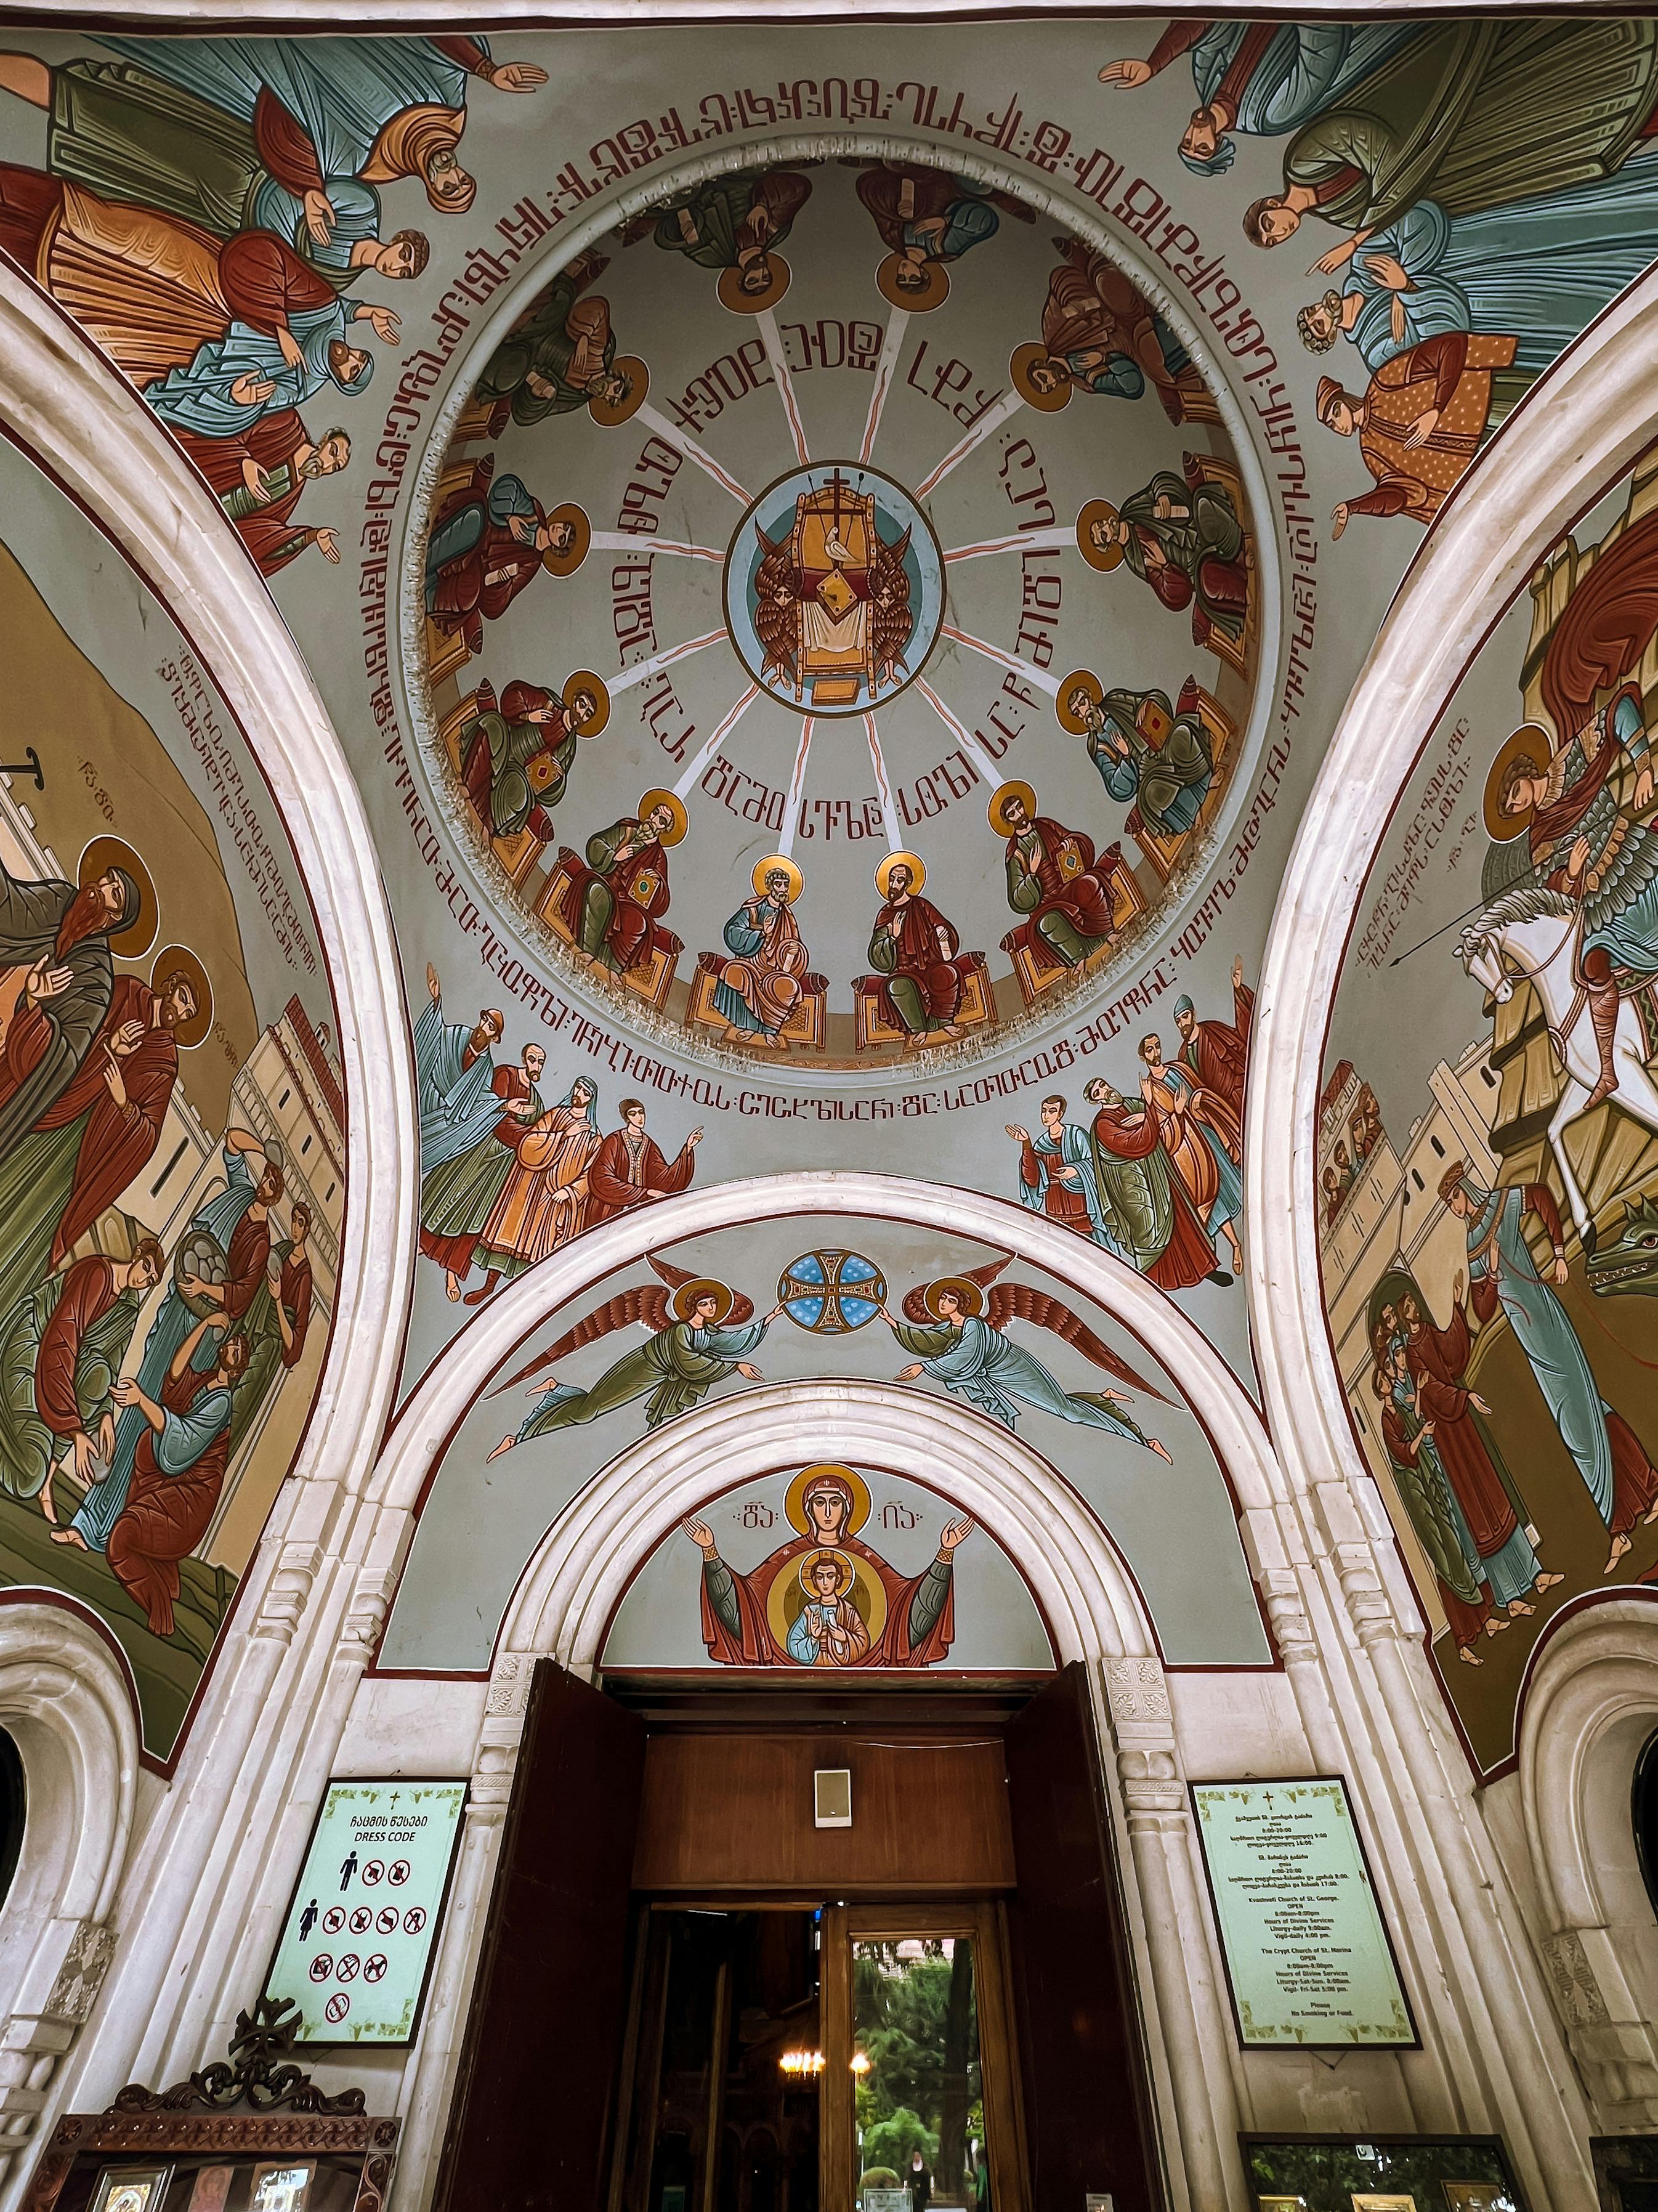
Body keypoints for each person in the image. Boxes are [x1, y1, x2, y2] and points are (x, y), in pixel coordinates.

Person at [1240, 18, 1658, 248]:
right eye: (1277, 239)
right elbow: (1410, 199)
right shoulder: (1335, 214)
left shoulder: (1299, 162)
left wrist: (1363, 233)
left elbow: (1363, 137)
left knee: (1515, 62)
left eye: (1271, 225)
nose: (1282, 232)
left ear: (1270, 205)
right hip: (1456, 141)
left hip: (1429, 96)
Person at [1442, 1164, 1658, 1571]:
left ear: (1464, 1189)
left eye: (1452, 1197)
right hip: (1530, 1340)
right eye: (1448, 1202)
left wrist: (1559, 1253)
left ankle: (1618, 1528)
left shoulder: (1502, 1203)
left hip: (1546, 1318)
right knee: (1583, 1412)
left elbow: (1541, 1195)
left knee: (1580, 1422)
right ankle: (1645, 1489)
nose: (1453, 1206)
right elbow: (1484, 1309)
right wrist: (1488, 1275)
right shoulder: (1472, 1244)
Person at [87, 33, 548, 221]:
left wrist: (307, 188)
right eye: (461, 180)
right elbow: (431, 32)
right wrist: (487, 69)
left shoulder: (364, 164)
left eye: (445, 188)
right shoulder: (450, 101)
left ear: (430, 188)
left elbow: (276, 116)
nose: (451, 175)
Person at [0, 961, 195, 1332]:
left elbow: (148, 1134)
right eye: (182, 999)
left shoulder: (166, 1060)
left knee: (37, 1221)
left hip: (86, 1157)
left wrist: (124, 1104)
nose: (180, 1012)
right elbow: (78, 1037)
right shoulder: (124, 993)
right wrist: (113, 1047)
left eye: (187, 1013)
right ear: (169, 985)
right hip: (59, 1114)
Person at [1495, 691, 1658, 1111]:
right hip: (1597, 905)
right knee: (1590, 965)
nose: (1517, 804)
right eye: (1512, 806)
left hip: (1630, 859)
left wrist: (1642, 767)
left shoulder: (1571, 761)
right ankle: (1607, 1068)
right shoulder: (1538, 841)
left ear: (1525, 772)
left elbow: (1618, 714)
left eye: (1514, 793)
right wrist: (1570, 874)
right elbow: (1553, 899)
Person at [682, 1465, 971, 1669]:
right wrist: (711, 1551)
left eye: (836, 1502)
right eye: (820, 1503)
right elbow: (747, 1606)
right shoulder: (789, 1555)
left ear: (847, 1509)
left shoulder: (864, 1557)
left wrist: (944, 1553)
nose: (828, 1512)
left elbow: (905, 1611)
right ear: (808, 1509)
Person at [880, 1282, 1171, 1458]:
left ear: (963, 1304)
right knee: (1061, 1406)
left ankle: (1142, 1438)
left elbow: (965, 1356)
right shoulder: (947, 1328)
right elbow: (928, 1341)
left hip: (1014, 1367)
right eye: (942, 1299)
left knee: (1066, 1411)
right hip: (998, 1376)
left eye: (951, 1300)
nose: (944, 1304)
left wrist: (925, 1367)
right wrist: (892, 1322)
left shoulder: (973, 1326)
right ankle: (1102, 1396)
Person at [1399, 1287, 1553, 1619]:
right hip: (1449, 1439)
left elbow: (1453, 1356)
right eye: (1409, 1305)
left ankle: (1535, 1574)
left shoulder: (1428, 1333)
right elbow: (1435, 1393)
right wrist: (1464, 1397)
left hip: (1465, 1429)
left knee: (1495, 1495)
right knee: (1477, 1510)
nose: (1414, 1307)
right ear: (1403, 1315)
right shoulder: (1412, 1354)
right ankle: (1510, 1597)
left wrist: (1456, 1306)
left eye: (1414, 1301)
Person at [1098, 22, 1423, 177]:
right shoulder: (1271, 114)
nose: (1194, 136)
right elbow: (1321, 56)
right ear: (1220, 142)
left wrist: (1154, 63)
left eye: (1187, 142)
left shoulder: (1204, 75)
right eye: (1202, 148)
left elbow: (1207, 19)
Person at [488, 1283, 779, 1451]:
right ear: (694, 1307)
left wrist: (769, 1319)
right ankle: (541, 1410)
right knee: (588, 1411)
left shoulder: (709, 1332)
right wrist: (733, 1368)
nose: (712, 1308)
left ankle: (529, 1427)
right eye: (706, 1304)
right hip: (640, 1369)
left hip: (654, 1376)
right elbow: (690, 1363)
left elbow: (731, 1342)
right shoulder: (680, 1332)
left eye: (714, 1304)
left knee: (590, 1411)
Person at [1372, 1329, 1514, 1666]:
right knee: (1447, 1555)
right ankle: (1464, 1638)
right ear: (1383, 1387)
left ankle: (1486, 1618)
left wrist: (1420, 1401)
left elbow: (1418, 1419)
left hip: (1431, 1480)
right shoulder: (1387, 1418)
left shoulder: (1404, 1402)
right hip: (1421, 1494)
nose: (1396, 1372)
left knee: (1459, 1546)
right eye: (1390, 1372)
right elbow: (1404, 1453)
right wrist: (1421, 1430)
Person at [0, 1239, 162, 1523]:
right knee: (28, 1476)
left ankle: (47, 1481)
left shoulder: (128, 1308)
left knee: (99, 1376)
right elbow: (60, 1344)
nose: (143, 1279)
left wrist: (105, 1414)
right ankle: (39, 1476)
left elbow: (110, 1362)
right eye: (146, 1267)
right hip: (34, 1345)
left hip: (64, 1371)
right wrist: (76, 1432)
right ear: (137, 1255)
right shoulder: (97, 1273)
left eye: (151, 1280)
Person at [105, 1317, 248, 1639]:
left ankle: (159, 1609)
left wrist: (141, 1400)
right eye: (234, 1342)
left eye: (240, 1350)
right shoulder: (207, 1381)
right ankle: (164, 1580)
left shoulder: (222, 1403)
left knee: (122, 1540)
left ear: (238, 1370)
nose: (235, 1346)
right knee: (134, 1531)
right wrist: (206, 1323)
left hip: (188, 1499)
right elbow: (175, 1376)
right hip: (167, 1485)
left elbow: (181, 1445)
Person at [0, 855, 140, 1157]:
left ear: (115, 920)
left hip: (7, 1068)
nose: (102, 888)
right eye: (108, 879)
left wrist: (35, 1003)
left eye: (114, 893)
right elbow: (13, 907)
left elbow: (62, 1059)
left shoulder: (96, 978)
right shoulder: (62, 899)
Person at [1318, 338, 1515, 540]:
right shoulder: (1370, 451)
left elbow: (1450, 346)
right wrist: (1354, 507)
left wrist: (1436, 410)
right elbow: (1400, 497)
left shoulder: (1384, 382)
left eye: (1336, 412)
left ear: (1345, 400)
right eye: (1331, 424)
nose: (1337, 425)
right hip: (1484, 465)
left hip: (1490, 401)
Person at [417, 1042, 544, 1302]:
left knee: (475, 1217)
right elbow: (489, 1112)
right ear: (524, 1058)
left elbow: (538, 1134)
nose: (536, 1066)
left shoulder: (537, 1100)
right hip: (479, 1152)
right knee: (449, 1201)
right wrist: (510, 1111)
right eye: (532, 1059)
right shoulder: (506, 1075)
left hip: (502, 1166)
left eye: (540, 1062)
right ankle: (416, 1246)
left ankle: (451, 1272)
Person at [1024, 238, 1202, 421]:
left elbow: (1060, 279)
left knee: (1108, 285)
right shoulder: (1087, 380)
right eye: (1050, 388)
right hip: (1135, 345)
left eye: (1044, 379)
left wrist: (1080, 304)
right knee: (1161, 367)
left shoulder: (1054, 332)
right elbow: (1133, 386)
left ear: (1039, 364)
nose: (1053, 382)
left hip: (1114, 310)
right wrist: (1106, 359)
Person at [1082, 1076, 1230, 1289]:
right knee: (1151, 1230)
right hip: (1136, 1186)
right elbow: (1136, 1144)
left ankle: (1205, 1269)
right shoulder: (1103, 1124)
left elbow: (1161, 1129)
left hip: (1159, 1172)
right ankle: (1156, 1283)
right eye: (1098, 1092)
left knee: (1182, 1221)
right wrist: (1149, 1110)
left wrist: (1176, 1113)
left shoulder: (1134, 1105)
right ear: (1095, 1101)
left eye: (1103, 1085)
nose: (1105, 1091)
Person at [463, 1077, 601, 1302]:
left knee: (537, 1249)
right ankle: (488, 1287)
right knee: (510, 1236)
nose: (580, 1094)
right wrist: (563, 1136)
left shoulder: (594, 1137)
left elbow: (589, 1174)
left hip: (553, 1197)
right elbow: (529, 1143)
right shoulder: (555, 1116)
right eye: (578, 1088)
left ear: (591, 1100)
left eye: (586, 1093)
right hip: (528, 1187)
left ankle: (524, 1302)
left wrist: (570, 1192)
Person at [424, 466, 579, 659]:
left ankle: (423, 595)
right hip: (481, 534)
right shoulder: (533, 513)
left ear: (558, 548)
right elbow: (506, 487)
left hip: (480, 569)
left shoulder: (532, 564)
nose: (559, 531)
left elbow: (501, 602)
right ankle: (423, 561)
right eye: (563, 527)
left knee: (469, 594)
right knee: (474, 519)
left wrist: (499, 579)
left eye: (562, 537)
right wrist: (510, 516)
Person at [174, 413, 349, 574]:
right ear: (324, 440)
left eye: (335, 467)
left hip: (198, 520)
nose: (326, 464)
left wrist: (310, 536)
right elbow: (231, 423)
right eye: (332, 452)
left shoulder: (293, 494)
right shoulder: (288, 423)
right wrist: (244, 459)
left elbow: (265, 534)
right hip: (198, 475)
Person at [1091, 471, 1248, 650]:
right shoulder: (1136, 560)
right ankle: (1240, 560)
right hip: (1194, 564)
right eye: (1103, 533)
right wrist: (1164, 565)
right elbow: (1172, 595)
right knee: (1210, 580)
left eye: (1100, 523)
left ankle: (1240, 546)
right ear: (1110, 544)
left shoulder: (1131, 510)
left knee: (1204, 506)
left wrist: (1162, 495)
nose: (1105, 525)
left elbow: (1159, 482)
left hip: (1194, 529)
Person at [474, 256, 632, 432]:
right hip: (542, 329)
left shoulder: (576, 397)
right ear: (615, 376)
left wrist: (537, 396)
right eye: (616, 389)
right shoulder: (598, 352)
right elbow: (600, 308)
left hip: (520, 361)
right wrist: (584, 336)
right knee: (553, 299)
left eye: (611, 399)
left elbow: (525, 415)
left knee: (500, 381)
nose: (608, 393)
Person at [1138, 1033, 1245, 1276]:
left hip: (1207, 1134)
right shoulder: (1150, 1090)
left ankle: (1248, 1233)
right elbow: (1157, 1132)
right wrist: (1171, 1110)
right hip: (1188, 1150)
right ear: (1143, 1056)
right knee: (1209, 1197)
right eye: (1150, 1050)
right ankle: (1234, 1247)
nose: (1156, 1053)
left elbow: (1203, 1093)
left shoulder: (1178, 1069)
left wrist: (1196, 1102)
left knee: (1228, 1183)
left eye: (1157, 1047)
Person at [460, 678, 602, 844]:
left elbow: (552, 795)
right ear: (574, 700)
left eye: (588, 714)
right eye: (582, 705)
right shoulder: (548, 703)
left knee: (521, 793)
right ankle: (466, 787)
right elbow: (514, 696)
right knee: (493, 725)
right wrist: (528, 715)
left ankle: (487, 827)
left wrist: (558, 778)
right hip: (508, 744)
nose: (582, 713)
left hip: (520, 773)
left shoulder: (568, 749)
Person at [994, 785, 1118, 970]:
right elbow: (1017, 898)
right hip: (1047, 904)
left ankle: (1108, 933)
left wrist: (1070, 842)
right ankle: (1080, 960)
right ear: (1008, 821)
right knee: (1047, 923)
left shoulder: (1045, 825)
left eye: (1019, 807)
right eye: (1012, 813)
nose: (1019, 814)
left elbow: (1076, 842)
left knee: (1089, 883)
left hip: (1069, 885)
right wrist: (1032, 873)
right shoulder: (1015, 854)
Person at [1077, 679, 1214, 842]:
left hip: (1161, 748)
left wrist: (1149, 702)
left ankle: (1208, 780)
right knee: (1154, 792)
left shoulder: (1116, 701)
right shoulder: (1097, 746)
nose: (1083, 711)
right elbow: (1117, 789)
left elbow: (1156, 700)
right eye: (1077, 712)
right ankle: (1195, 819)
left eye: (1082, 703)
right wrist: (1126, 757)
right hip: (1146, 777)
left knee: (1181, 736)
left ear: (1090, 698)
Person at [227, 1199, 313, 1455]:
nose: (295, 1228)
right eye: (294, 1220)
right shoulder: (281, 1251)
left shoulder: (305, 1276)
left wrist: (276, 1300)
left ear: (307, 1229)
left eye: (301, 1223)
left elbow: (294, 1347)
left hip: (269, 1347)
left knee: (237, 1406)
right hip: (251, 1331)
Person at [639, 164, 812, 290]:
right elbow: (799, 189)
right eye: (765, 277)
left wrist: (686, 223)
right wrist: (763, 204)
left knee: (666, 197)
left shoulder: (713, 256)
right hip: (740, 172)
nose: (759, 273)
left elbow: (674, 235)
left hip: (696, 187)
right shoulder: (772, 232)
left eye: (753, 280)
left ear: (741, 278)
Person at [568, 796, 684, 981]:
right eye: (655, 813)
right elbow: (596, 845)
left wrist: (658, 884)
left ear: (665, 829)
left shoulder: (658, 856)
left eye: (661, 821)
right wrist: (614, 856)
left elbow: (662, 904)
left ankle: (612, 971)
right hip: (608, 884)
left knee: (639, 922)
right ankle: (586, 951)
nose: (654, 820)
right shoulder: (627, 831)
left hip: (630, 902)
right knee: (597, 893)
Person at [854, 163, 1018, 289]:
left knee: (893, 167)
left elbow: (879, 208)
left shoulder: (893, 239)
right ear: (923, 273)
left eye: (901, 277)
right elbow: (985, 222)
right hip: (945, 187)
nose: (904, 272)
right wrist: (946, 221)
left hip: (913, 183)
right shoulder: (944, 248)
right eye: (912, 277)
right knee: (977, 182)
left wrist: (899, 205)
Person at [866, 857, 975, 1040]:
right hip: (903, 971)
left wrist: (941, 933)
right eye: (891, 878)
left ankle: (942, 1022)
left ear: (908, 884)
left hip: (929, 965)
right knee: (897, 986)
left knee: (949, 972)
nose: (893, 884)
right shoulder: (885, 915)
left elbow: (942, 928)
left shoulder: (921, 905)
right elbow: (877, 955)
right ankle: (918, 1029)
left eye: (899, 880)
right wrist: (892, 937)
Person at [414, 970, 505, 1176]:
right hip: (424, 1096)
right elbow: (434, 1036)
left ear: (495, 1038)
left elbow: (480, 1101)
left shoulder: (485, 1070)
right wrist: (437, 1002)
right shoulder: (457, 1034)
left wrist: (504, 1105)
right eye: (484, 1021)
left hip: (441, 1121)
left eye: (490, 1027)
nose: (482, 1028)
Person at [715, 862, 811, 1043]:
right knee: (734, 972)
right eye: (778, 884)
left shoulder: (787, 917)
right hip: (751, 963)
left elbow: (793, 946)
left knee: (788, 987)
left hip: (775, 970)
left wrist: (793, 952)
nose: (782, 889)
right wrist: (761, 933)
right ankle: (747, 1027)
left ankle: (770, 1032)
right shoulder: (753, 908)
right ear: (769, 886)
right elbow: (732, 932)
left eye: (785, 885)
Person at [1007, 1095, 1114, 1246]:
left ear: (1060, 1114)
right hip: (1055, 1210)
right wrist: (1026, 1144)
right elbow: (1032, 1178)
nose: (1046, 1116)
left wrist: (1076, 1169)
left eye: (1052, 1111)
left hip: (1080, 1207)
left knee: (1089, 1249)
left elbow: (1094, 1164)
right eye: (1044, 1111)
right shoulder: (1041, 1144)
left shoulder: (1075, 1135)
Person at [584, 1100, 700, 1226]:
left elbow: (663, 1178)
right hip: (610, 1209)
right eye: (633, 1114)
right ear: (626, 1118)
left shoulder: (648, 1144)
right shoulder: (615, 1141)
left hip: (638, 1211)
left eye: (641, 1113)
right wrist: (643, 1192)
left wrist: (688, 1149)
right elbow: (601, 1176)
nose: (639, 1117)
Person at [1176, 959, 1253, 1126]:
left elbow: (1240, 1039)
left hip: (1239, 1093)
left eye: (1185, 1017)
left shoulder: (1212, 1030)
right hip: (1220, 1108)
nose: (1183, 1024)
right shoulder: (1182, 1055)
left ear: (1194, 1015)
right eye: (1178, 1021)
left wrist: (1239, 991)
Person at [784, 1552, 873, 1667]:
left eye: (830, 1576)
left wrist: (845, 1637)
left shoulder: (848, 1611)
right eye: (820, 1577)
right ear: (814, 1580)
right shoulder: (810, 1611)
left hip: (842, 1663)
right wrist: (813, 1638)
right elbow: (793, 1645)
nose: (825, 1583)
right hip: (816, 1662)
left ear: (838, 1579)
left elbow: (863, 1642)